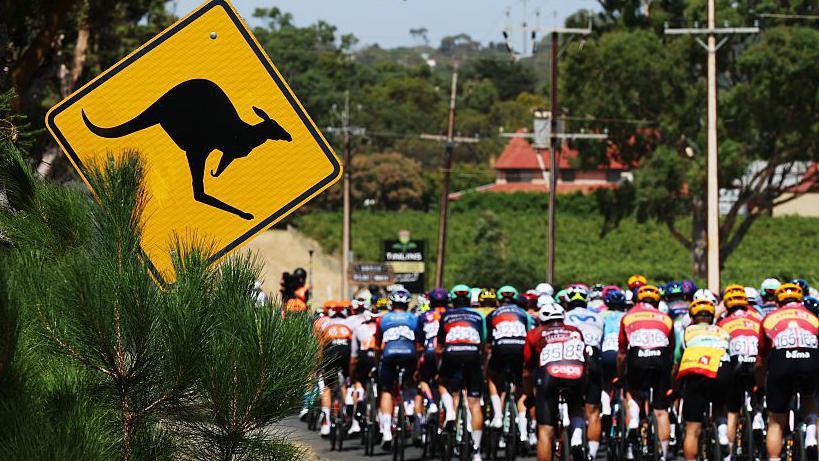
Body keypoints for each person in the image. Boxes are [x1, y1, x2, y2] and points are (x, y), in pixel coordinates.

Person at [756, 282, 819, 461]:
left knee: (776, 422)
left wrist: (760, 385)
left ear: (777, 301)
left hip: (782, 362)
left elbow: (761, 358)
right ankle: (811, 436)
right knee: (809, 398)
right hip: (810, 360)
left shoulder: (769, 318)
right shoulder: (813, 317)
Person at [524, 297, 587, 461]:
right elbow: (584, 358)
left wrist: (529, 394)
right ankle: (577, 439)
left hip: (549, 377)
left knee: (545, 430)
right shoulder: (575, 331)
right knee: (576, 405)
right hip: (576, 373)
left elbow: (528, 369)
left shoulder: (534, 334)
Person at [618, 284, 674, 460]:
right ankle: (663, 453)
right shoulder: (666, 318)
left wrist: (620, 375)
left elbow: (622, 353)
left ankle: (634, 420)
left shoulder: (628, 317)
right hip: (660, 358)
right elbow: (671, 350)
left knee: (632, 392)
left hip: (637, 357)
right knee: (661, 410)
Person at [675, 298, 731, 461]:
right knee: (720, 405)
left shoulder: (687, 332)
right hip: (722, 369)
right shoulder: (722, 332)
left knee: (692, 429)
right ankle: (722, 433)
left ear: (692, 318)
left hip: (698, 372)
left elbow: (677, 361)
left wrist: (675, 386)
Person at [438, 285, 487, 461]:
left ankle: (451, 412)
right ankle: (477, 452)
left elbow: (440, 345)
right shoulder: (478, 316)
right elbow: (483, 343)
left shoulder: (446, 316)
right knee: (475, 403)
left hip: (452, 353)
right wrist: (483, 365)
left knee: (443, 382)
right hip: (473, 354)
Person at [716, 284, 764, 457]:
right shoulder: (758, 319)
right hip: (754, 364)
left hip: (735, 364)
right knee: (759, 388)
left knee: (732, 411)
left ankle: (728, 454)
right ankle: (757, 415)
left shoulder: (722, 323)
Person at [485, 285, 532, 445]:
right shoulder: (524, 314)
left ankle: (498, 416)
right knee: (521, 386)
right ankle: (524, 432)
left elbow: (487, 343)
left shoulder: (493, 314)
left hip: (501, 348)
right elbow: (529, 335)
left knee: (492, 378)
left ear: (498, 301)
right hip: (520, 348)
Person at [375, 289, 421, 449]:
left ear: (391, 304)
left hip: (389, 353)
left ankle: (387, 432)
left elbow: (377, 346)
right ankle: (409, 409)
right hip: (409, 352)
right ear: (407, 304)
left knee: (387, 391)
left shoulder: (382, 318)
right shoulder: (414, 318)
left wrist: (377, 363)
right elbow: (419, 343)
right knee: (410, 383)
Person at [564, 285, 605, 461]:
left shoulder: (564, 316)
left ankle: (575, 439)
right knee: (593, 411)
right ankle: (592, 456)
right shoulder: (598, 317)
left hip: (571, 360)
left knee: (573, 404)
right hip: (593, 358)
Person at [316, 299, 353, 436]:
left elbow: (320, 346)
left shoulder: (324, 323)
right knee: (346, 381)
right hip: (346, 350)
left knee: (327, 386)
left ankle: (326, 423)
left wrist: (319, 364)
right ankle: (347, 402)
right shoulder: (349, 322)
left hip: (330, 351)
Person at [416, 287, 449, 421]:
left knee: (422, 379)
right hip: (447, 351)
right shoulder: (450, 314)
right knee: (446, 380)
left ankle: (431, 403)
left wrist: (418, 362)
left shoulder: (424, 316)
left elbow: (419, 344)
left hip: (429, 351)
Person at [600, 288, 628, 439]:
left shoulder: (601, 316)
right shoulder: (627, 316)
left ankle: (605, 408)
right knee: (626, 383)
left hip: (606, 351)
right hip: (623, 353)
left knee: (605, 382)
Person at [349, 300, 379, 436]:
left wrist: (352, 376)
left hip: (364, 357)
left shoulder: (359, 328)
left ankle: (360, 394)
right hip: (377, 358)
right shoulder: (381, 326)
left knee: (358, 381)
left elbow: (354, 356)